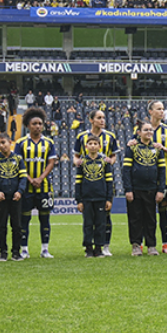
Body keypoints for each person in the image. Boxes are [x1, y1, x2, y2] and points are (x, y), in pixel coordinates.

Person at [73, 108, 118, 256]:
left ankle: (104, 245)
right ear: (91, 120)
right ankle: (89, 247)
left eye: (103, 117)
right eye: (99, 118)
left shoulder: (110, 136)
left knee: (105, 217)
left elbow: (113, 157)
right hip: (88, 182)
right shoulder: (81, 136)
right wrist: (78, 162)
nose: (102, 120)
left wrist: (109, 161)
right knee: (88, 222)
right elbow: (76, 157)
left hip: (102, 181)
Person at [15, 106, 58, 260]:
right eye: (34, 123)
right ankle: (24, 249)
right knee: (24, 219)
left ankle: (45, 249)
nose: (38, 126)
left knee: (45, 218)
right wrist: (29, 178)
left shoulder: (48, 142)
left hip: (44, 187)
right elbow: (18, 164)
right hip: (25, 187)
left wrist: (40, 178)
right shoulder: (20, 143)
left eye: (40, 123)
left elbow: (51, 162)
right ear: (28, 125)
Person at [123, 121, 167, 256]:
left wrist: (161, 190)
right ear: (139, 132)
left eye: (151, 130)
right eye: (145, 130)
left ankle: (151, 245)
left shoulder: (157, 149)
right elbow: (126, 170)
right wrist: (128, 189)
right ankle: (136, 245)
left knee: (151, 218)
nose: (149, 132)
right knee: (135, 218)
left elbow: (162, 171)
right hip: (136, 189)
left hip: (152, 189)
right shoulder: (132, 148)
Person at [141, 101, 167, 254]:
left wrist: (163, 148)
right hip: (146, 177)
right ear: (150, 111)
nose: (162, 111)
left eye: (163, 109)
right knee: (145, 212)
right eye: (159, 109)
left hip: (164, 177)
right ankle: (146, 243)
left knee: (163, 210)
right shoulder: (142, 129)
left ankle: (165, 244)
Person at [0, 133, 28, 262]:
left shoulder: (18, 158)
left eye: (3, 142)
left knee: (17, 225)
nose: (1, 146)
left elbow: (23, 177)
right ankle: (3, 252)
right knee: (1, 225)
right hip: (1, 198)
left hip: (16, 197)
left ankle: (16, 252)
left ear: (10, 142)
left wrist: (20, 191)